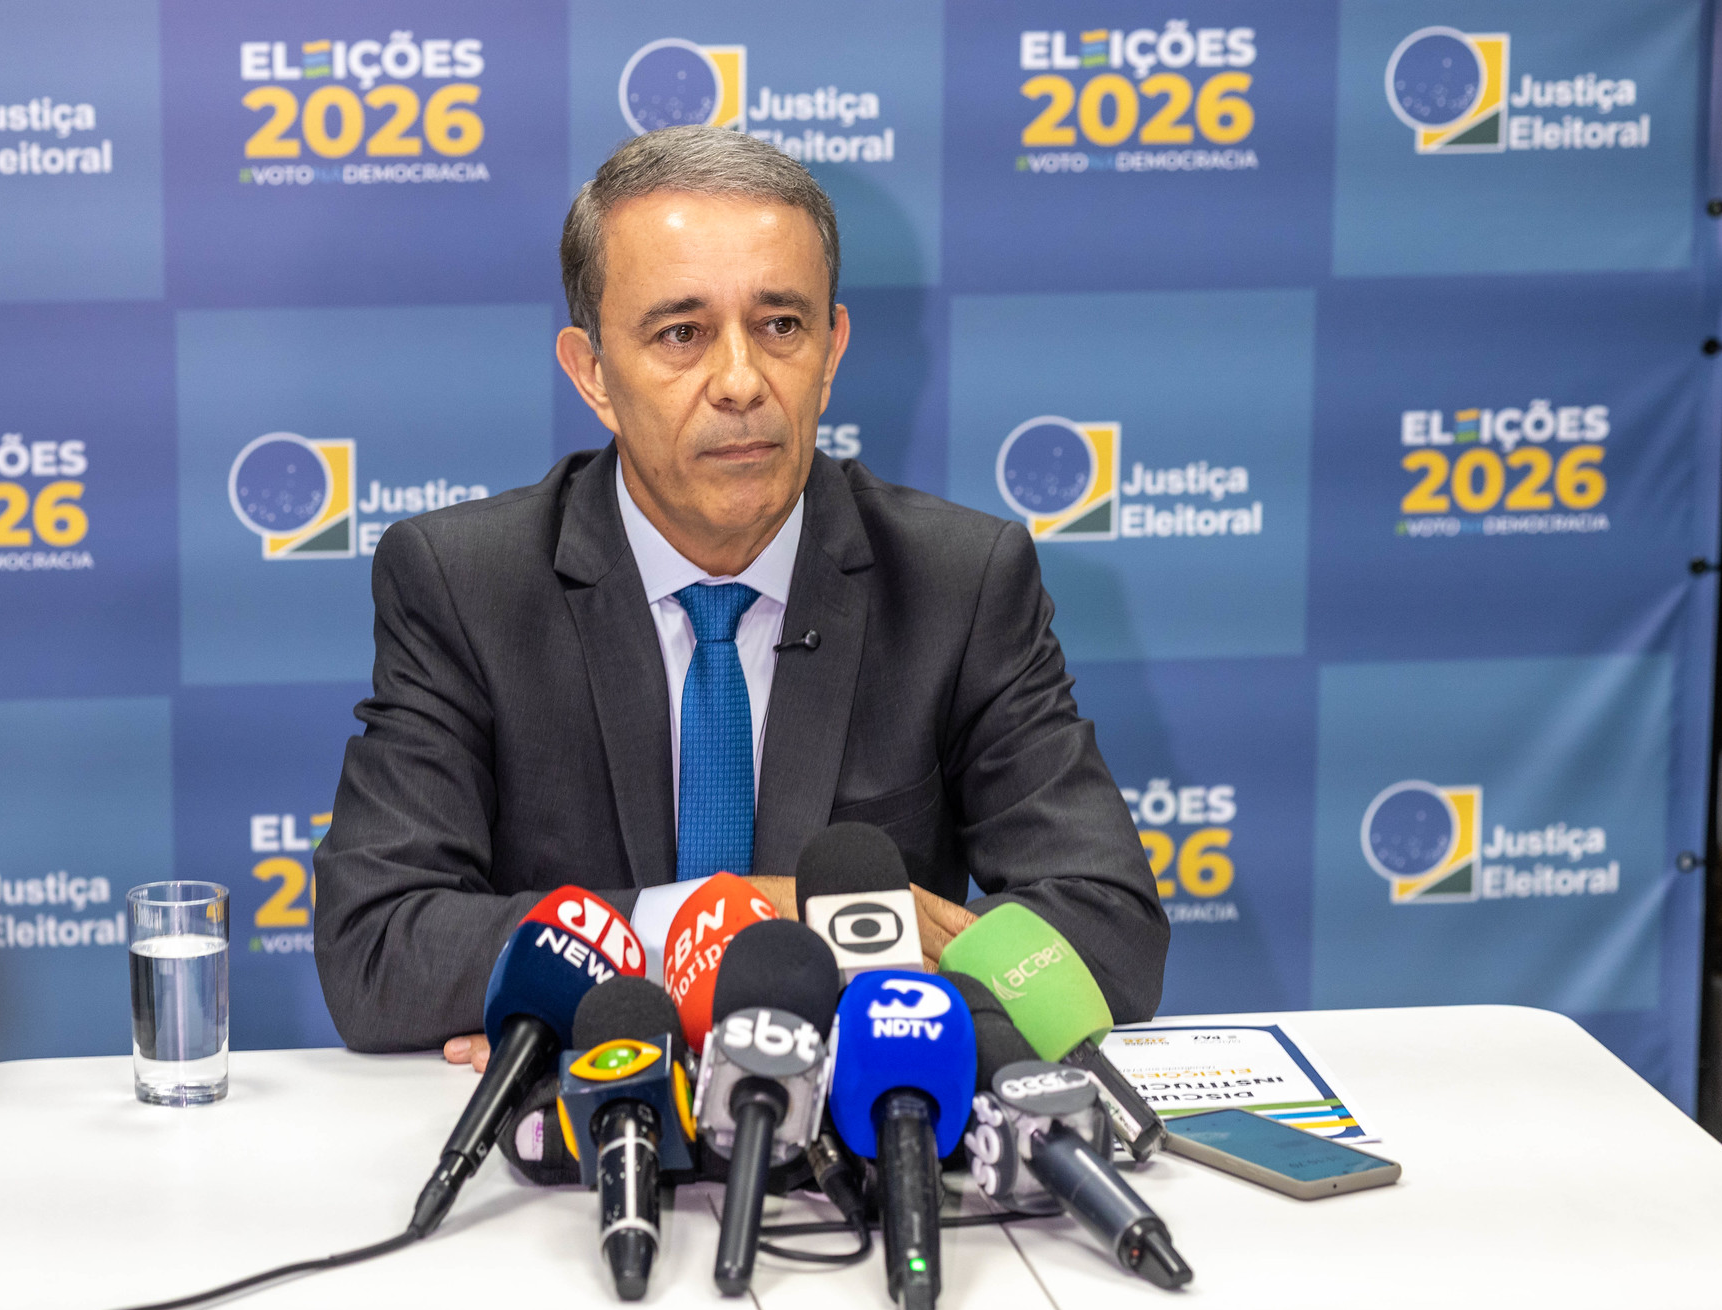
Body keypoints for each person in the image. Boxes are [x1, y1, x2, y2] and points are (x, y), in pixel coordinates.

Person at [314, 125, 1165, 1070]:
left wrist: (562, 984)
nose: (740, 381)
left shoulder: (959, 580)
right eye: (681, 333)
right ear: (593, 372)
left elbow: (1109, 933)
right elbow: (376, 947)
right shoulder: (465, 582)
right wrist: (744, 923)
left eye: (781, 325)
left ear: (831, 350)